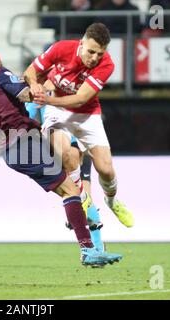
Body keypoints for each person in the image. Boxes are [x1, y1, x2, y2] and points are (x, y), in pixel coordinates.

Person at [0, 38, 122, 267]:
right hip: (23, 144)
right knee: (70, 189)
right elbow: (26, 95)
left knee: (69, 170)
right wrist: (46, 87)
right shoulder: (1, 74)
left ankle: (85, 216)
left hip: (14, 148)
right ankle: (88, 247)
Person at [23, 22, 134, 228]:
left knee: (106, 169)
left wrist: (45, 99)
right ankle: (83, 201)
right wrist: (35, 85)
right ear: (81, 43)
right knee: (65, 153)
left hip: (87, 114)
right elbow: (29, 72)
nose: (94, 58)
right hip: (57, 112)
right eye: (91, 52)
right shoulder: (61, 48)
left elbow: (80, 99)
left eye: (99, 54)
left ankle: (111, 201)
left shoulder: (107, 65)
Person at [25, 102, 105, 252]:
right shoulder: (40, 89)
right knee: (77, 194)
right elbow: (28, 111)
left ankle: (97, 244)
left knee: (84, 193)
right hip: (59, 144)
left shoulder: (70, 86)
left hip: (78, 142)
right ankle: (92, 242)